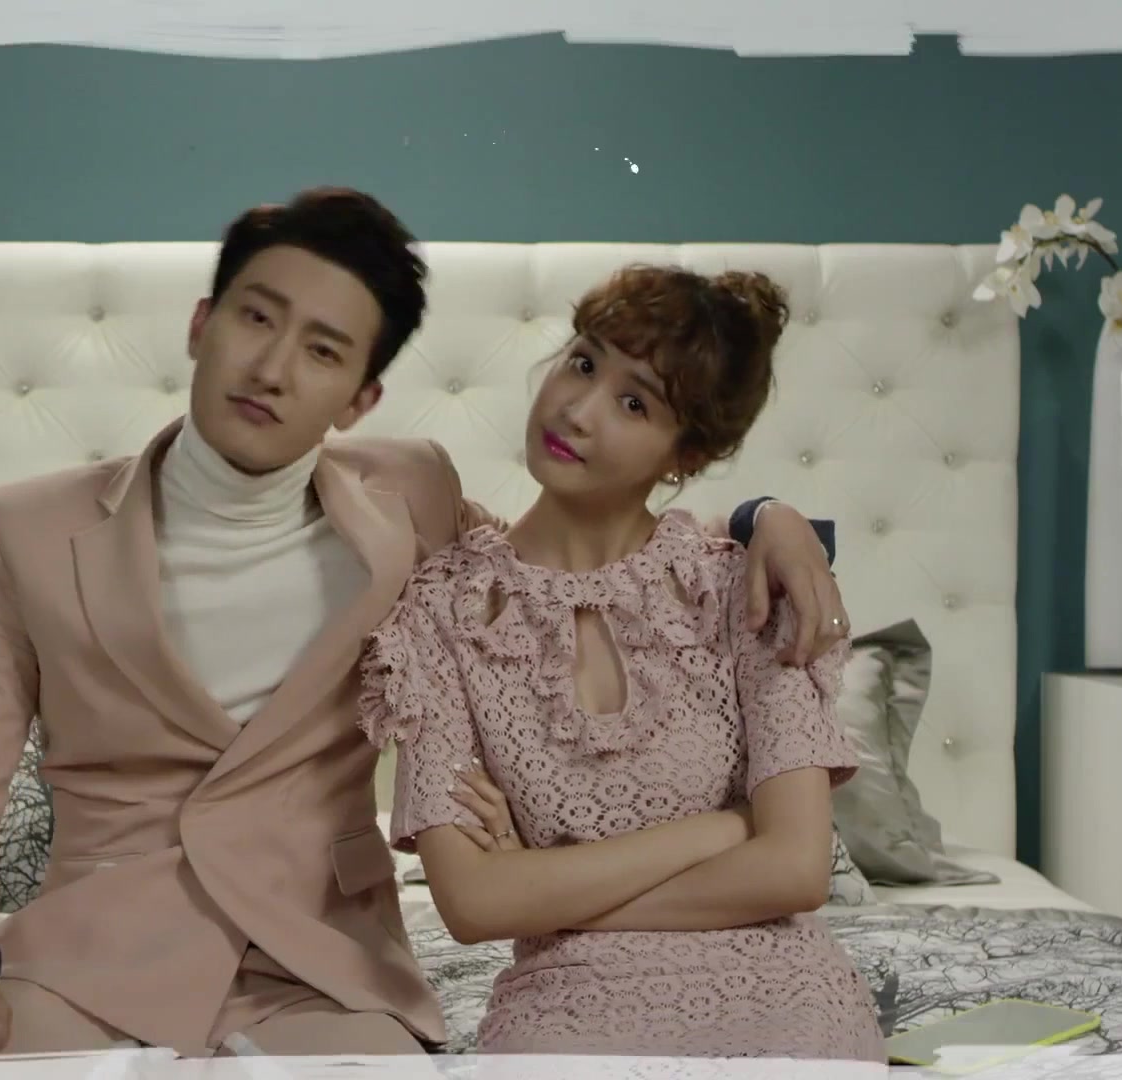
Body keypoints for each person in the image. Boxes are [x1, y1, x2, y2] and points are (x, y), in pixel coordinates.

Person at [0, 187, 851, 1061]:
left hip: (326, 966)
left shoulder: (410, 501)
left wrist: (766, 519)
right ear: (201, 322)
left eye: (321, 350)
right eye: (256, 318)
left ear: (361, 397)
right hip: (85, 963)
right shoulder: (25, 530)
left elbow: (581, 570)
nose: (272, 368)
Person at [359, 263, 886, 1060]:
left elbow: (794, 871)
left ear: (686, 453)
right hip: (560, 1005)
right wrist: (726, 828)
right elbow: (472, 905)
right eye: (583, 362)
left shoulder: (744, 593)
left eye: (634, 403)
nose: (577, 409)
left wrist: (541, 893)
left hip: (787, 998)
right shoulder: (441, 613)